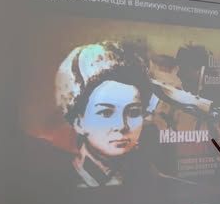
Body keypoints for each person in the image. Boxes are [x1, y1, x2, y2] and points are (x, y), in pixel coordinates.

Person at [55, 41, 191, 188]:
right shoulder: (58, 182)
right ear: (78, 122)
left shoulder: (153, 178)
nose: (121, 125)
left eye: (133, 112)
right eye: (106, 113)